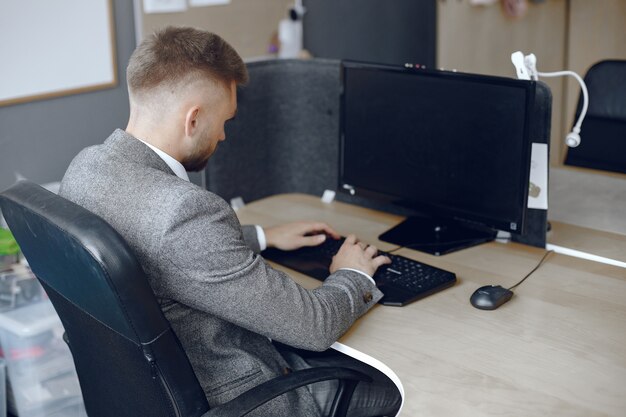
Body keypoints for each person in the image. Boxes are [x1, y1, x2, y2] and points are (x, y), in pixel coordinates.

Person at [60, 26, 401, 417]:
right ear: (193, 119)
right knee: (397, 391)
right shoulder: (186, 214)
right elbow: (314, 327)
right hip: (240, 398)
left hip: (141, 393)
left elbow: (149, 239)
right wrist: (354, 275)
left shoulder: (87, 168)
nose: (223, 135)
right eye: (225, 120)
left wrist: (260, 236)